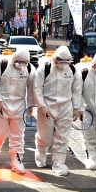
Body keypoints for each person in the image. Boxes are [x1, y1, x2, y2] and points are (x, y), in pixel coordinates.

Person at [33, 45, 82, 176]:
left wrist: (76, 107)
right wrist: (41, 106)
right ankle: (41, 153)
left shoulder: (72, 70)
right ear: (55, 59)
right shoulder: (45, 68)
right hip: (47, 107)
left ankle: (59, 162)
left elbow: (77, 89)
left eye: (67, 61)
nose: (64, 64)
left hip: (65, 107)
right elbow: (37, 88)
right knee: (45, 137)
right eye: (61, 61)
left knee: (62, 137)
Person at [0, 50, 35, 174]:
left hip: (19, 107)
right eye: (19, 62)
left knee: (17, 136)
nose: (22, 65)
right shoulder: (1, 65)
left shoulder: (29, 69)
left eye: (25, 63)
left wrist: (30, 105)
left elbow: (31, 88)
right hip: (1, 107)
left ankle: (17, 160)